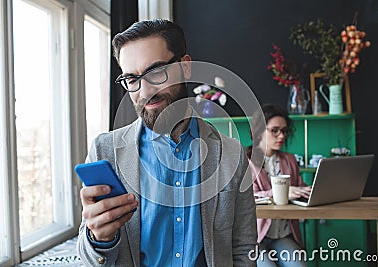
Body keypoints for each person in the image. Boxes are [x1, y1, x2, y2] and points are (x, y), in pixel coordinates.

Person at [76, 19, 257, 266]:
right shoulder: (104, 152)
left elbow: (244, 250)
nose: (145, 91)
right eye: (131, 79)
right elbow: (89, 259)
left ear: (185, 66)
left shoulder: (231, 155)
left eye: (156, 72)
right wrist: (98, 239)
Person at [249, 103, 311, 267]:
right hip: (255, 238)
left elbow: (298, 187)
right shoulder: (245, 162)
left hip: (283, 234)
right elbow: (248, 198)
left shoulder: (290, 160)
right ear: (259, 131)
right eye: (275, 130)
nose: (281, 136)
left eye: (284, 131)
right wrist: (281, 193)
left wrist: (306, 192)